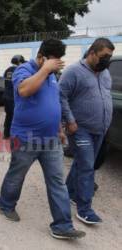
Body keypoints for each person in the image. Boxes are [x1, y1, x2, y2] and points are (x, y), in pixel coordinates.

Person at [0, 39, 86, 240]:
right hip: (26, 138)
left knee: (57, 181)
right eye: (54, 61)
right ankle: (5, 203)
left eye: (58, 62)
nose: (57, 66)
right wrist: (45, 70)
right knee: (17, 175)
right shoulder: (23, 70)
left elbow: (52, 102)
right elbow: (24, 90)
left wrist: (58, 129)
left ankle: (62, 225)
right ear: (41, 57)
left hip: (51, 140)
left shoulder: (52, 76)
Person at [60, 38, 115, 225]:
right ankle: (84, 209)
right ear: (92, 53)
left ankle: (68, 193)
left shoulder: (105, 73)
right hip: (80, 128)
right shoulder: (74, 71)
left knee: (81, 163)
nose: (107, 60)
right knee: (87, 167)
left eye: (110, 57)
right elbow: (61, 96)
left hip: (100, 129)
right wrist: (70, 120)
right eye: (104, 56)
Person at [3, 55, 25, 139]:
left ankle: (6, 134)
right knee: (15, 116)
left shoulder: (7, 70)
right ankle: (14, 135)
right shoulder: (19, 70)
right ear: (19, 62)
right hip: (13, 98)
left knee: (8, 115)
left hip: (6, 96)